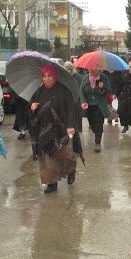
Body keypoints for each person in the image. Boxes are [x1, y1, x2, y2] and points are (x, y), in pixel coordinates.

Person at [29, 65, 80, 194]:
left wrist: (70, 126)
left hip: (61, 129)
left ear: (54, 76)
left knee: (64, 154)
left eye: (49, 76)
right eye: (44, 76)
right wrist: (32, 108)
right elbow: (31, 112)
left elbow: (71, 110)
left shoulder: (64, 91)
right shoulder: (39, 92)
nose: (47, 79)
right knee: (47, 157)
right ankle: (51, 183)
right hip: (44, 131)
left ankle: (70, 170)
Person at [79, 69, 111, 152]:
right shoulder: (85, 78)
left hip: (100, 105)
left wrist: (102, 87)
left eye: (94, 68)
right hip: (89, 105)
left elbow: (108, 90)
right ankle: (97, 133)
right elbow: (81, 91)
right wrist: (83, 101)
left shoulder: (104, 77)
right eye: (90, 69)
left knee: (99, 123)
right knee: (92, 124)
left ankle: (97, 143)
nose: (92, 70)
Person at [117, 60, 131, 134]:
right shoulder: (125, 73)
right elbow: (121, 84)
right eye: (130, 67)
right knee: (122, 111)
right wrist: (116, 93)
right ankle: (125, 126)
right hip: (124, 95)